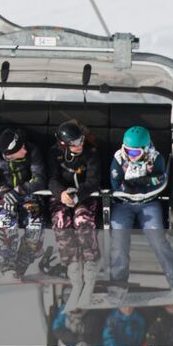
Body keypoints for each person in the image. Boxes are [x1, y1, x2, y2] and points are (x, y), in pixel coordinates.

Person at [109, 126, 173, 297]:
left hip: (149, 203)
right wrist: (142, 184)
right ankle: (119, 283)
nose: (129, 156)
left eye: (134, 153)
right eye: (127, 151)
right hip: (123, 203)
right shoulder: (119, 158)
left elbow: (160, 182)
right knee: (119, 240)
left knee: (158, 241)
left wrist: (139, 184)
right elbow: (116, 185)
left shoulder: (156, 158)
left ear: (145, 149)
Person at [0, 128, 47, 278]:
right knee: (6, 219)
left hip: (27, 194)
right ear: (9, 155)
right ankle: (5, 265)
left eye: (24, 146)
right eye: (20, 149)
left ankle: (22, 264)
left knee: (35, 223)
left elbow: (39, 178)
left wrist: (19, 191)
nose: (25, 150)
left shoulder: (32, 151)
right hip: (2, 195)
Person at [48, 120, 101, 327]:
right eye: (75, 143)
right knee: (61, 222)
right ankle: (75, 279)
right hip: (61, 196)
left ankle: (90, 275)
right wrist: (61, 193)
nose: (79, 145)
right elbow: (51, 178)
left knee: (81, 221)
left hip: (84, 196)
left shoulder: (91, 153)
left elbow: (94, 180)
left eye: (80, 140)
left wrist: (78, 195)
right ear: (64, 144)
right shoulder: (54, 154)